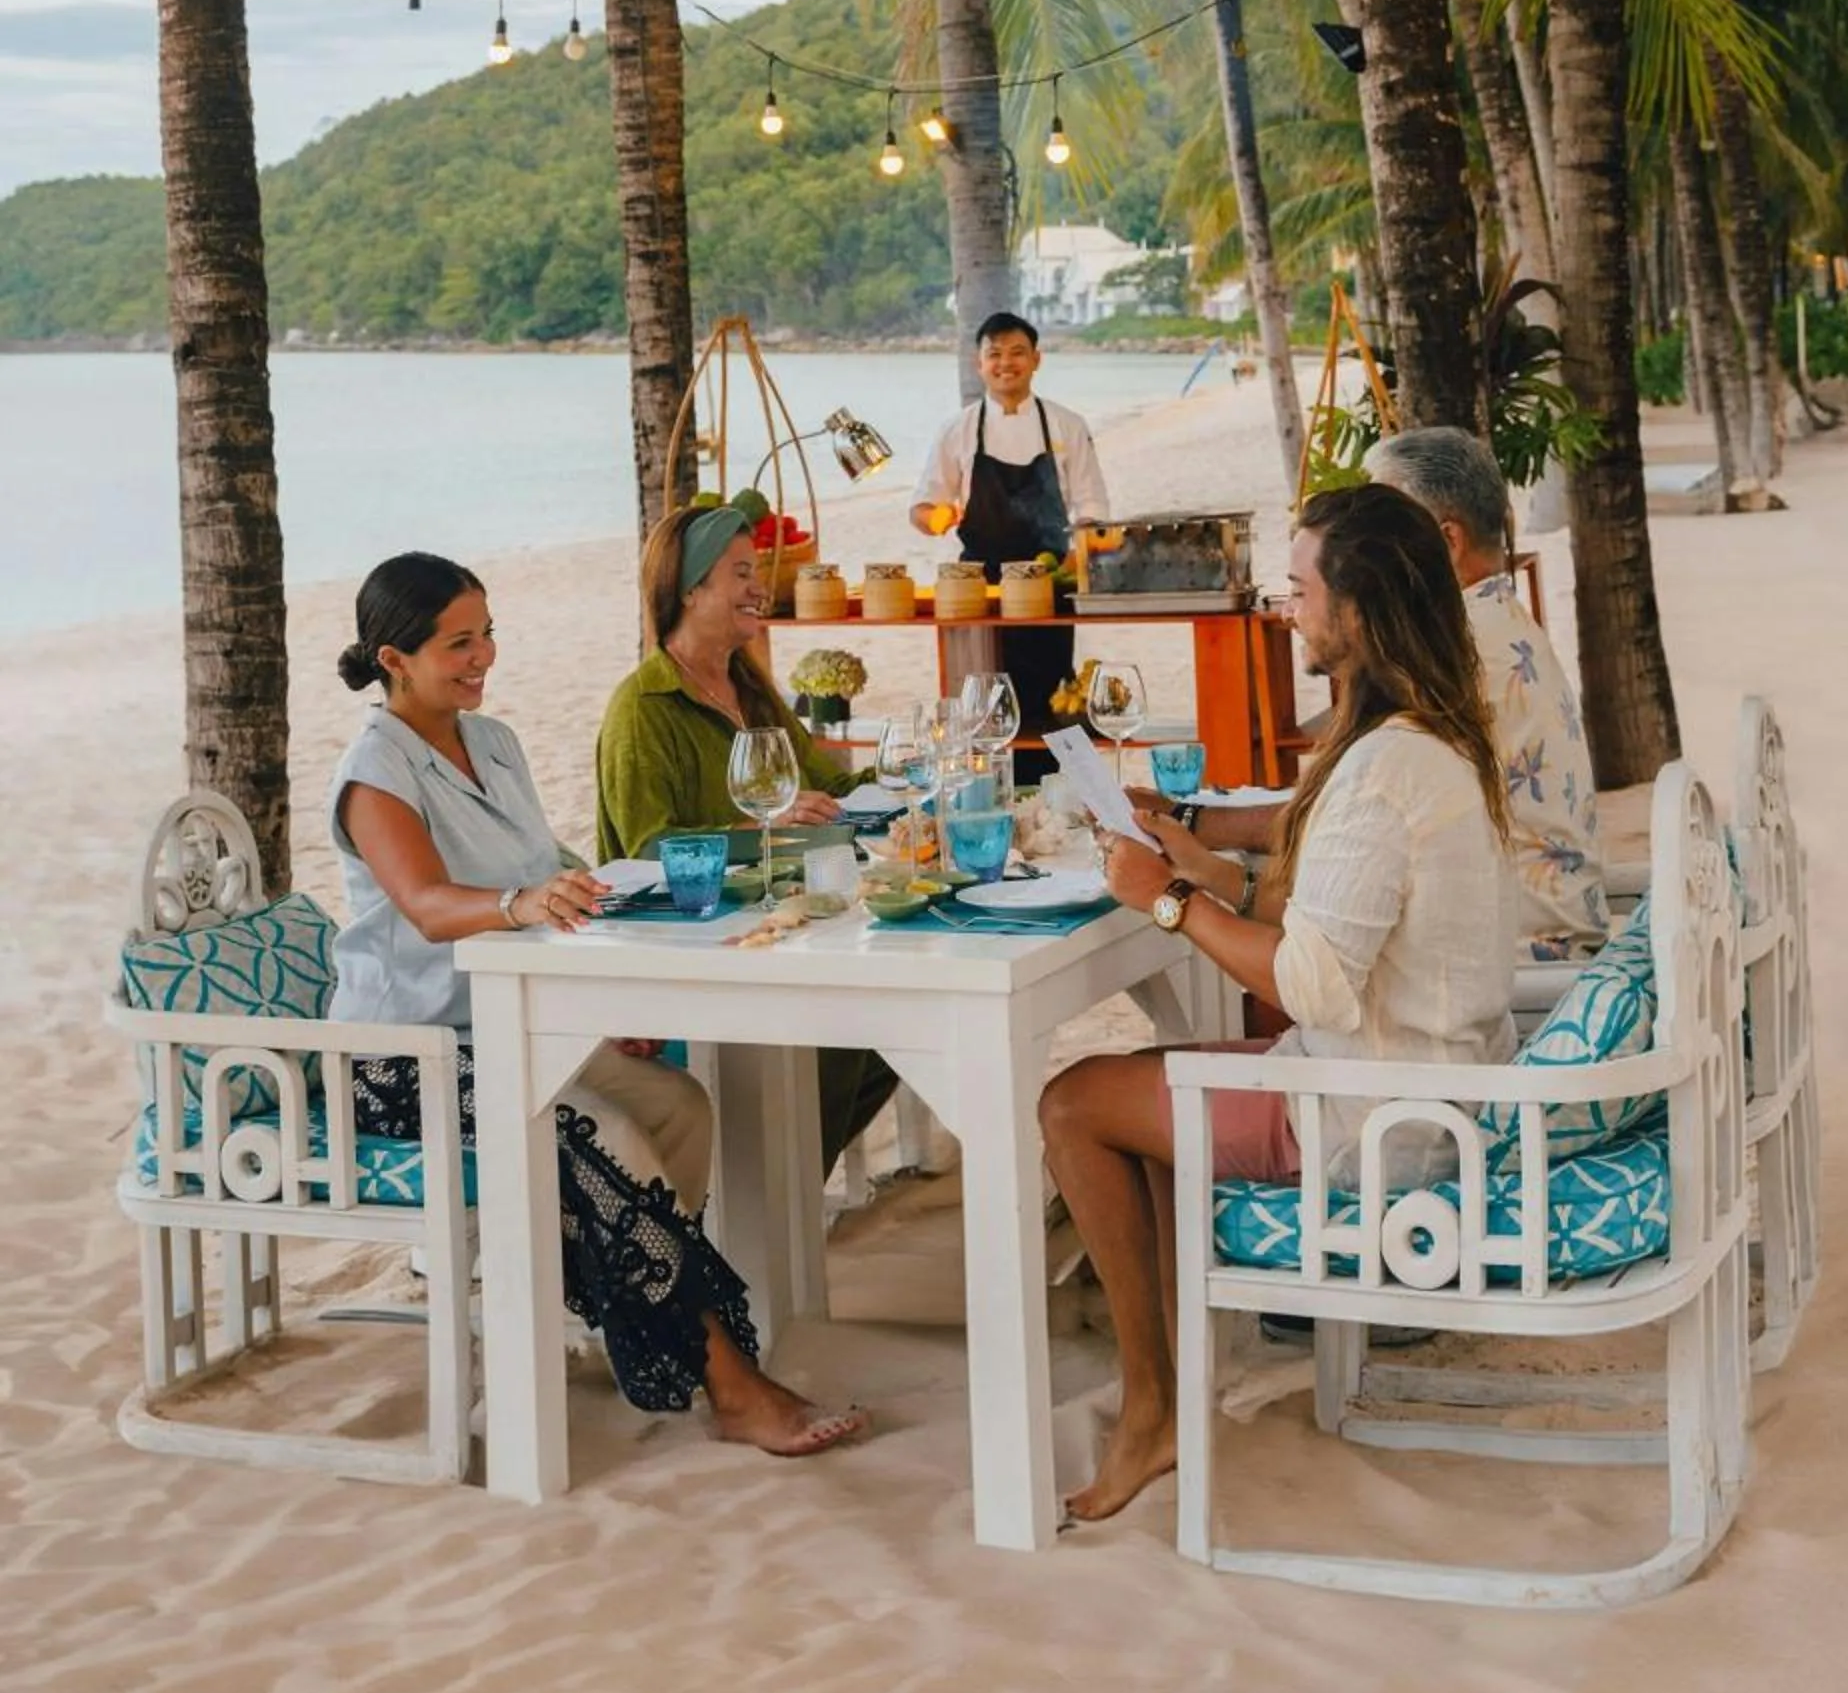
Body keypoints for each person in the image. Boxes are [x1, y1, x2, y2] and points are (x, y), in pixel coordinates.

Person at [1039, 482, 1516, 1523]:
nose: (1286, 607)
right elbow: (1336, 923)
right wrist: (1210, 873)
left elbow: (1306, 981)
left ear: (1358, 606)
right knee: (1146, 1103)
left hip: (1377, 1115)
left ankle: (1151, 1412)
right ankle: (1167, 1398)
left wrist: (1161, 899)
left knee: (1074, 1104)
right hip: (1423, 1080)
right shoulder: (1428, 740)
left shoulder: (1382, 767)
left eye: (1300, 589)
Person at [330, 550, 864, 1456]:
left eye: (487, 633)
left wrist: (595, 972)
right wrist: (515, 906)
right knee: (601, 1136)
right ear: (395, 660)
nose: (482, 657)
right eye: (458, 643)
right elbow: (424, 905)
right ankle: (728, 1378)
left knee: (681, 1109)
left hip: (517, 1023)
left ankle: (638, 1318)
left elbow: (550, 868)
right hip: (407, 1057)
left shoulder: (492, 741)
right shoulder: (375, 771)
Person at [594, 501, 897, 1176]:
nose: (759, 587)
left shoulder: (750, 689)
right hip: (688, 945)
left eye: (756, 570)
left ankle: (781, 1187)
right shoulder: (642, 709)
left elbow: (827, 789)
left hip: (774, 929)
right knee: (849, 1034)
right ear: (689, 589)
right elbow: (645, 850)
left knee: (893, 1033)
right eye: (740, 573)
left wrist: (911, 776)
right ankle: (770, 1201)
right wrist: (755, 829)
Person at [1366, 426, 1608, 955]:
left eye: (1387, 531)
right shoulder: (1502, 620)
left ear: (1447, 540)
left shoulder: (1459, 650)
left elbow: (1374, 812)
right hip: (1552, 924)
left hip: (1524, 959)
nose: (1371, 552)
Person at [909, 309, 1112, 770]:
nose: (1006, 363)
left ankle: (1058, 800)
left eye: (1017, 352)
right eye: (994, 354)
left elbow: (1093, 508)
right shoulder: (956, 429)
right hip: (977, 588)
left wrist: (1079, 559)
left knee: (1049, 705)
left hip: (1049, 584)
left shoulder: (1066, 425)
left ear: (1036, 360)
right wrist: (939, 518)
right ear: (979, 364)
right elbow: (921, 508)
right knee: (981, 704)